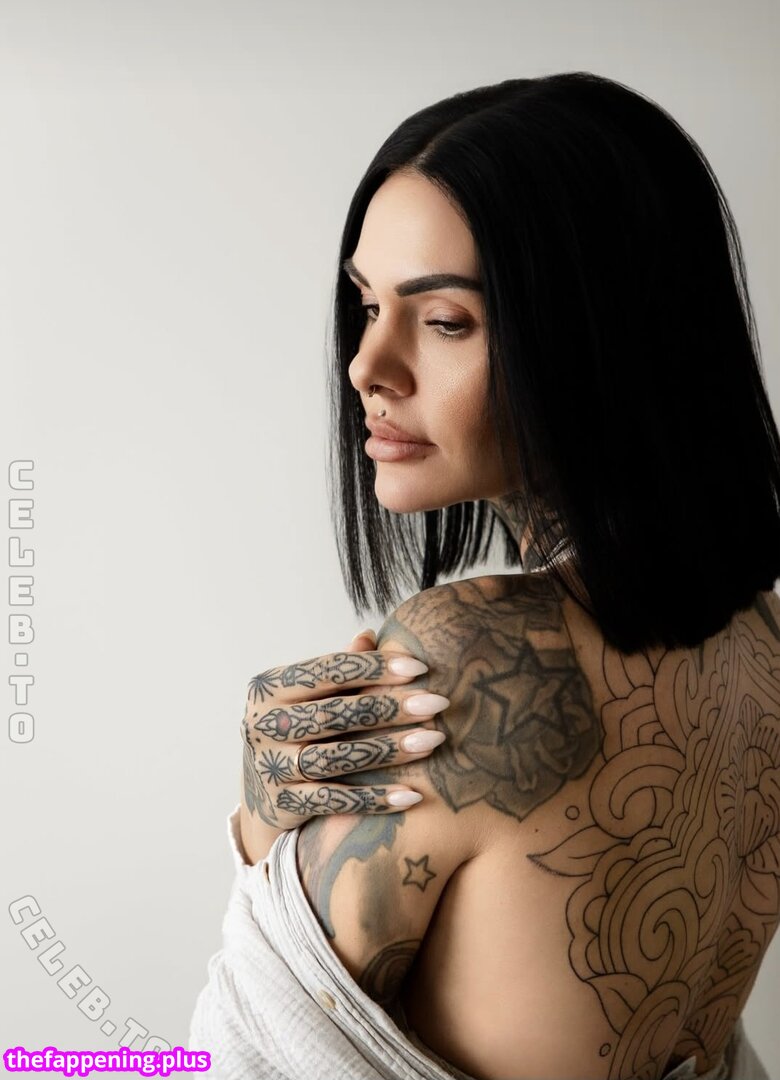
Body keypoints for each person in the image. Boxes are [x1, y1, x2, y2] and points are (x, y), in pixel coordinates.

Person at [191, 71, 780, 1080]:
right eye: (367, 304)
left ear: (600, 335)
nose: (367, 365)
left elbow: (245, 1054)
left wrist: (260, 817)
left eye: (446, 320)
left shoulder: (473, 657)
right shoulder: (761, 644)